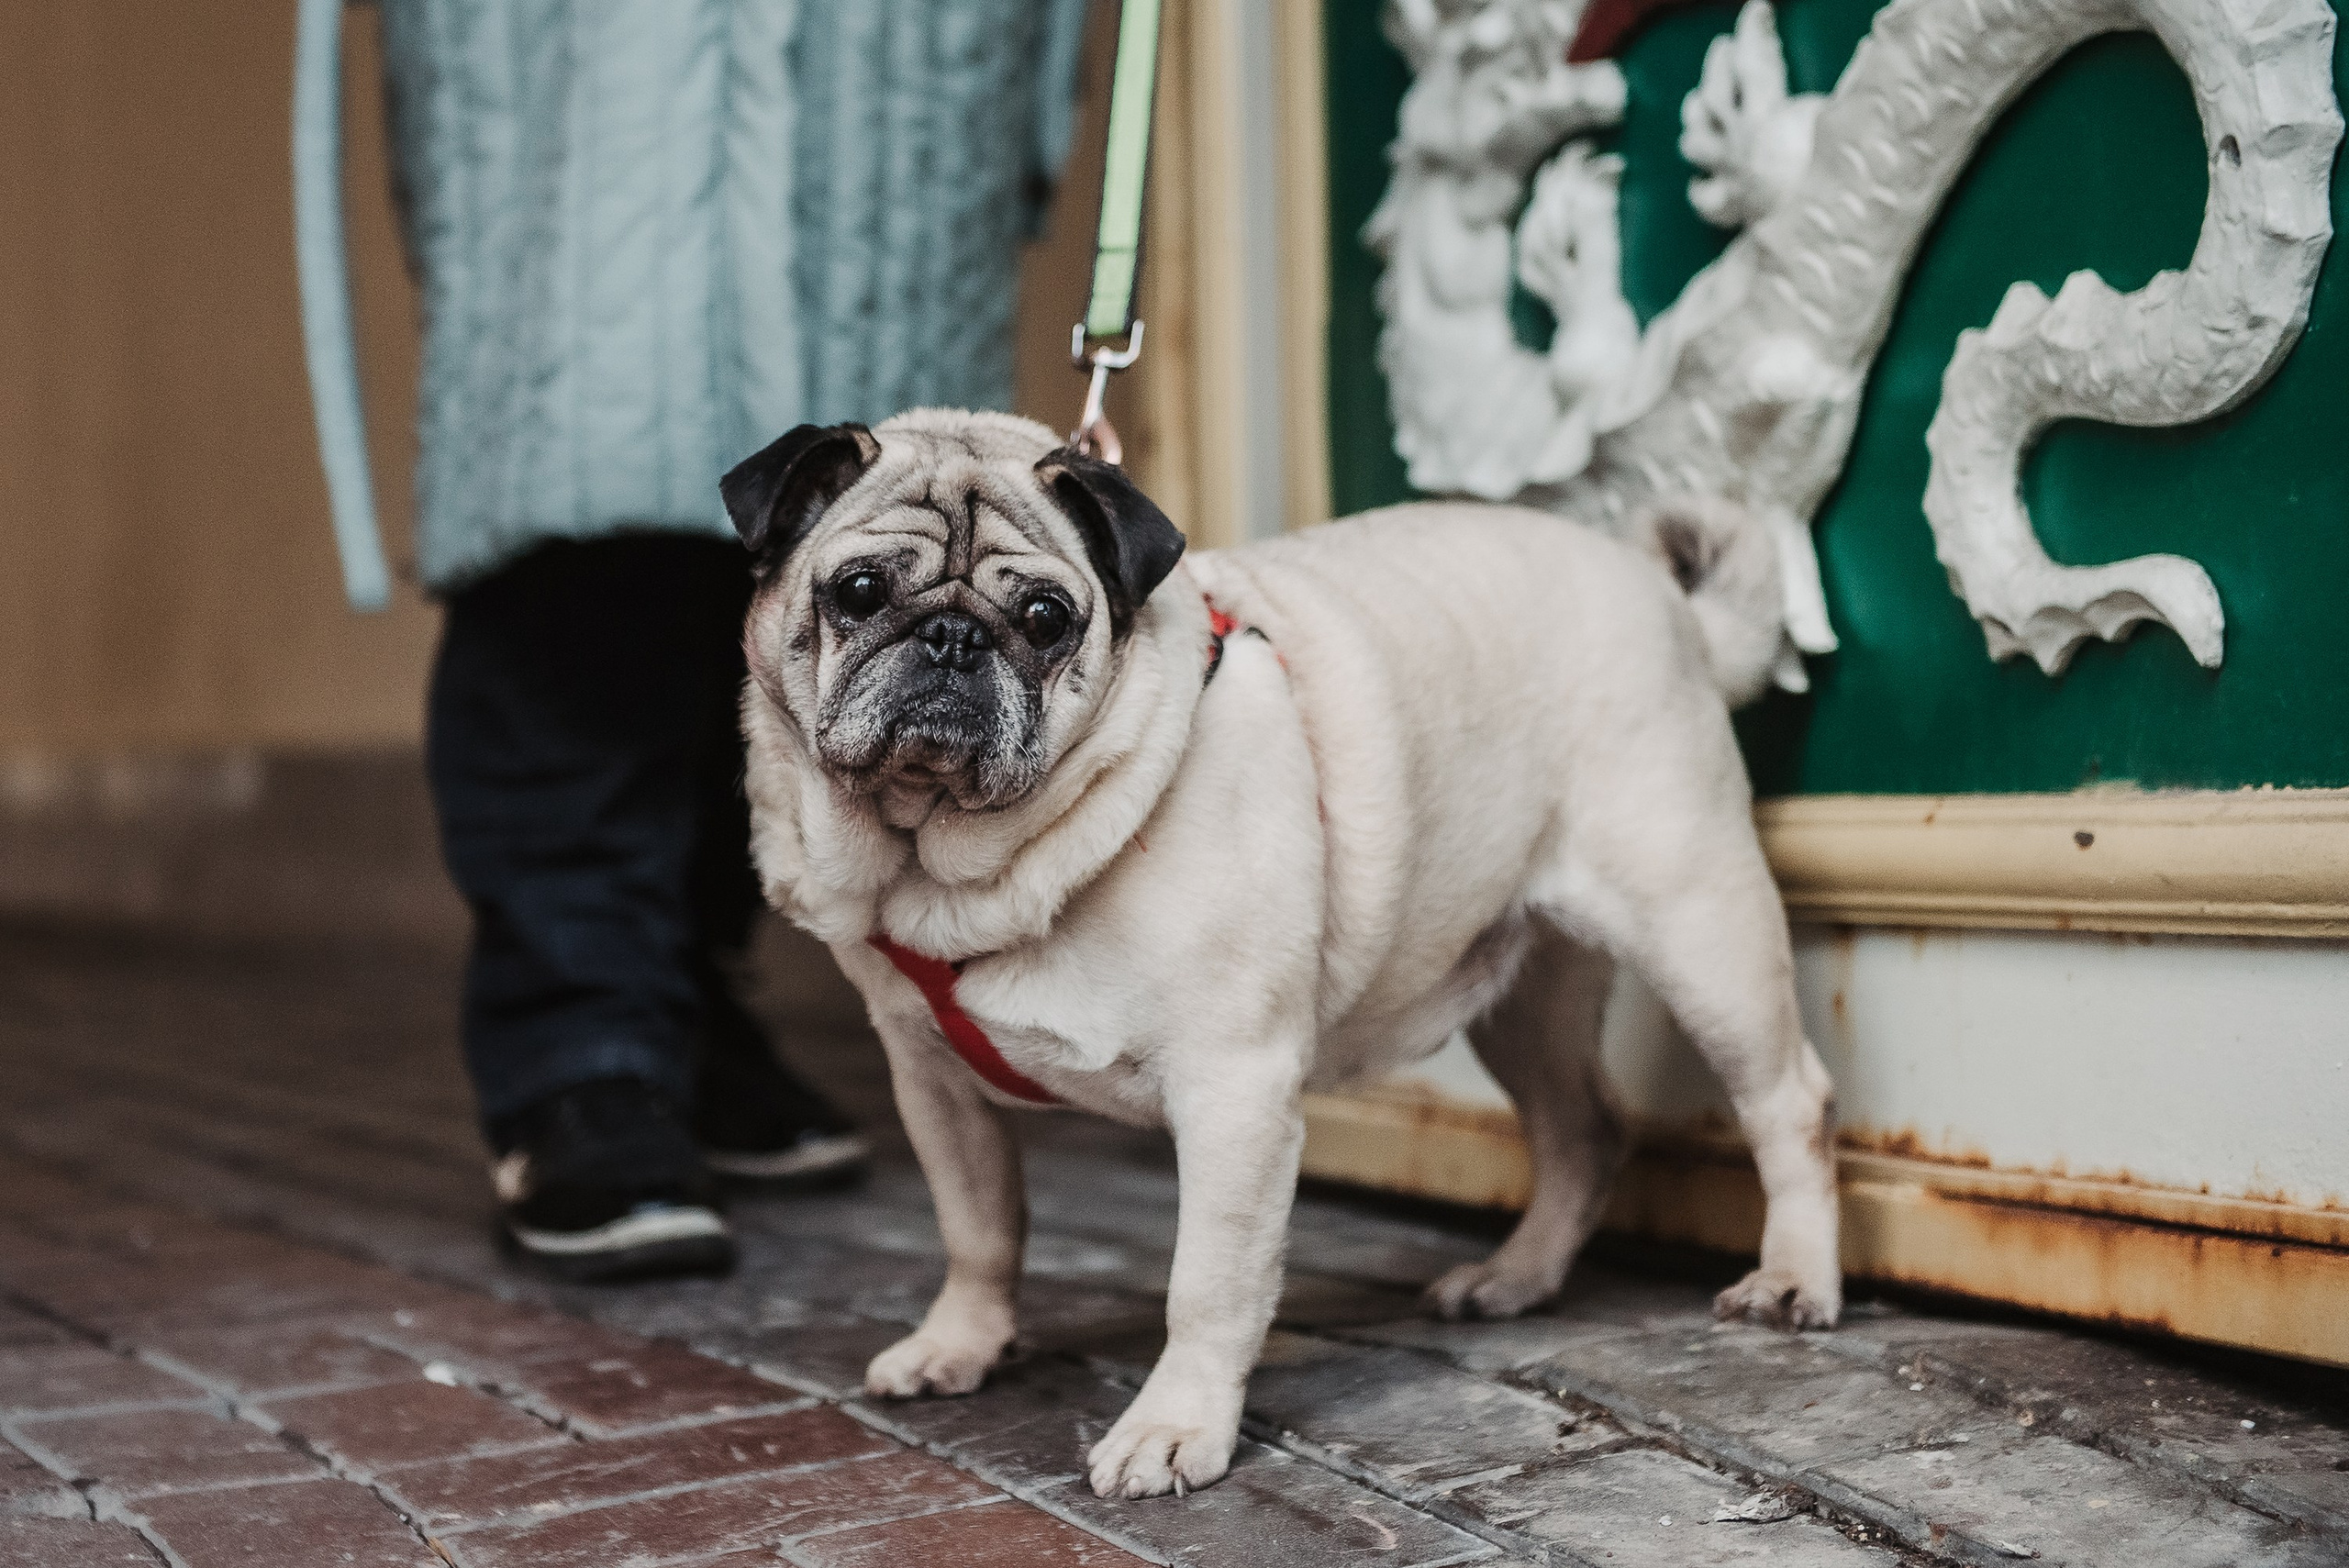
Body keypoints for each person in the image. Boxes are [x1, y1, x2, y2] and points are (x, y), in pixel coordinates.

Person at [302, 0, 1092, 1279]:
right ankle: (581, 1050)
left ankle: (684, 1004)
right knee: (580, 571)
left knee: (807, 608)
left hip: (883, 76)